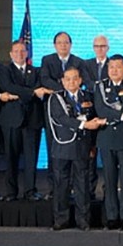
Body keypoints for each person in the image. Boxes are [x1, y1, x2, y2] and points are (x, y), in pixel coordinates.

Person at [46, 67, 104, 230]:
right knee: (61, 185)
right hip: (62, 147)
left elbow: (94, 120)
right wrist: (84, 124)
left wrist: (92, 145)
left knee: (83, 185)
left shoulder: (88, 97)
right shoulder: (56, 98)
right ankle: (61, 219)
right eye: (68, 79)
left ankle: (83, 220)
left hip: (82, 147)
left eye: (74, 79)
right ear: (63, 81)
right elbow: (62, 118)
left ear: (80, 80)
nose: (71, 82)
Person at [94, 54, 123, 231]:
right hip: (106, 138)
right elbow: (101, 109)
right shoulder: (100, 86)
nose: (114, 70)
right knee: (109, 179)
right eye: (111, 67)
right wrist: (122, 116)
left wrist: (121, 115)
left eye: (118, 67)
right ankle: (112, 216)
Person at [0, 41, 49, 201]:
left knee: (31, 158)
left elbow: (22, 88)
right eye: (16, 51)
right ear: (11, 54)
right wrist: (33, 92)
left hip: (32, 120)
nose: (19, 54)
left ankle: (30, 191)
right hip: (11, 120)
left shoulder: (36, 71)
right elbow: (8, 86)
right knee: (11, 157)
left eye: (22, 51)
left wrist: (22, 93)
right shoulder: (4, 70)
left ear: (27, 53)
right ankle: (11, 192)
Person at [40, 31, 87, 199]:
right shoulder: (47, 60)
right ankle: (55, 189)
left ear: (70, 44)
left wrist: (68, 87)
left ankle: (76, 188)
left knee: (77, 153)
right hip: (55, 110)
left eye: (66, 42)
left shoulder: (78, 61)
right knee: (55, 150)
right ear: (55, 45)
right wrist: (64, 89)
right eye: (59, 42)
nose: (63, 45)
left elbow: (83, 81)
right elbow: (44, 79)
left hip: (76, 110)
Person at [82, 34, 110, 200]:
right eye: (97, 46)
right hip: (91, 112)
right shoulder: (86, 64)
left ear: (107, 48)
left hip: (108, 113)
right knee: (90, 153)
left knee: (108, 155)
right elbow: (88, 82)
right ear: (93, 48)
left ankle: (108, 189)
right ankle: (90, 189)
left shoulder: (113, 64)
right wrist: (104, 88)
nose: (100, 49)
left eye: (103, 46)